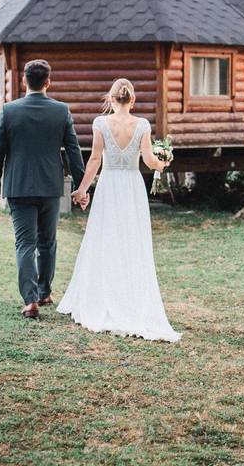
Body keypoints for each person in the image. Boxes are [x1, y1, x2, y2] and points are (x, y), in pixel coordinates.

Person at [57, 78, 181, 342]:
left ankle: (104, 295)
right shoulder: (143, 125)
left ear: (111, 99)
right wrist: (162, 164)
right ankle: (128, 294)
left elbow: (94, 159)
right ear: (132, 100)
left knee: (105, 238)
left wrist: (82, 190)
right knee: (131, 240)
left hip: (110, 184)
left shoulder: (101, 123)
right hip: (132, 186)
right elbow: (148, 159)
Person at [0, 59, 86, 319]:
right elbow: (74, 151)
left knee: (25, 244)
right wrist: (81, 186)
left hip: (18, 186)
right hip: (51, 185)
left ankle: (30, 301)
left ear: (24, 81)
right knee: (47, 242)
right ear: (48, 82)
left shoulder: (8, 111)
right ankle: (44, 292)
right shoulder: (61, 111)